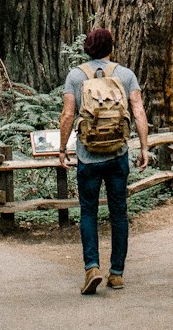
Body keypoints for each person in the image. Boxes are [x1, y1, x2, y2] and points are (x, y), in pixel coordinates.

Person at [58, 27, 151, 295]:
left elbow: (67, 115)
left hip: (88, 157)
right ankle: (117, 273)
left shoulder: (76, 76)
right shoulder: (125, 75)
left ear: (87, 47)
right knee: (118, 212)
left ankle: (91, 267)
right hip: (118, 155)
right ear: (111, 47)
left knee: (88, 212)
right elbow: (138, 111)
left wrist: (62, 149)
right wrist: (144, 147)